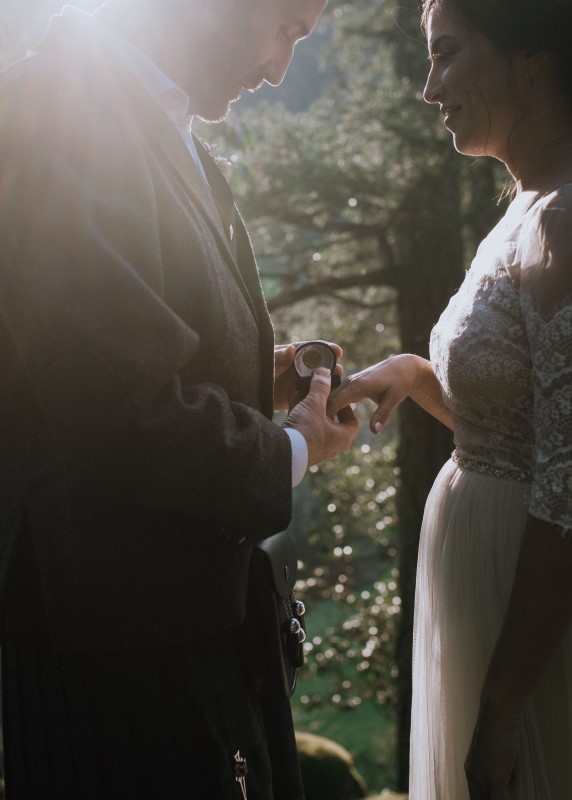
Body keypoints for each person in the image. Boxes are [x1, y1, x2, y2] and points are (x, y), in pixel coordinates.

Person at [0, 1, 359, 798]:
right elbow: (119, 415)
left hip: (180, 635)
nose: (277, 69)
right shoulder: (51, 111)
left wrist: (254, 378)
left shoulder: (151, 116)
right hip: (116, 654)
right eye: (288, 31)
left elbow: (112, 349)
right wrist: (293, 449)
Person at [328, 0, 572, 797]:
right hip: (484, 589)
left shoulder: (563, 220)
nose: (429, 88)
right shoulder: (522, 211)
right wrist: (415, 374)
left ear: (529, 61)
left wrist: (503, 707)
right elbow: (523, 428)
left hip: (529, 623)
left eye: (449, 55)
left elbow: (567, 479)